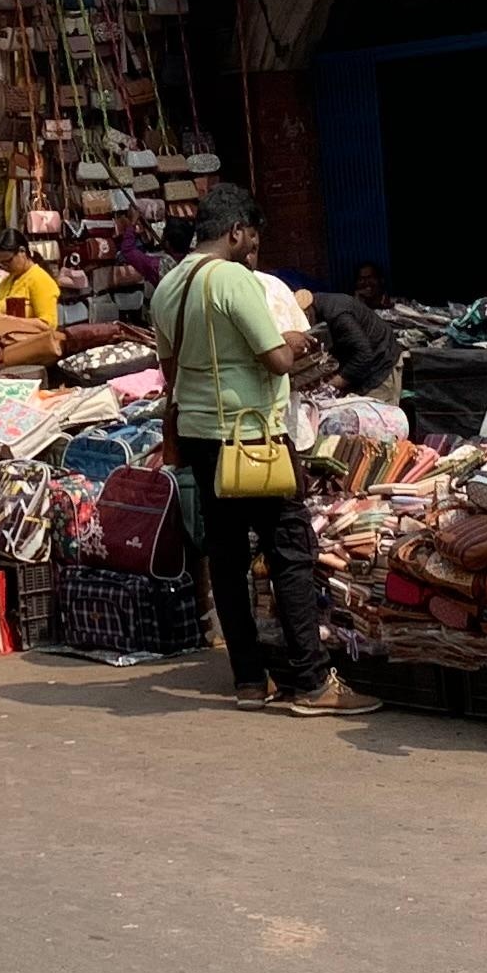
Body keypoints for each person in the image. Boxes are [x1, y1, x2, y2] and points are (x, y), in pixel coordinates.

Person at [154, 186, 371, 718]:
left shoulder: (169, 285)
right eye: (251, 235)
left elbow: (169, 368)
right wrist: (294, 343)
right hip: (252, 435)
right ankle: (312, 681)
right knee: (289, 549)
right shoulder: (232, 279)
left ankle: (249, 680)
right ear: (236, 232)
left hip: (202, 436)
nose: (252, 246)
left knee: (226, 558)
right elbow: (276, 359)